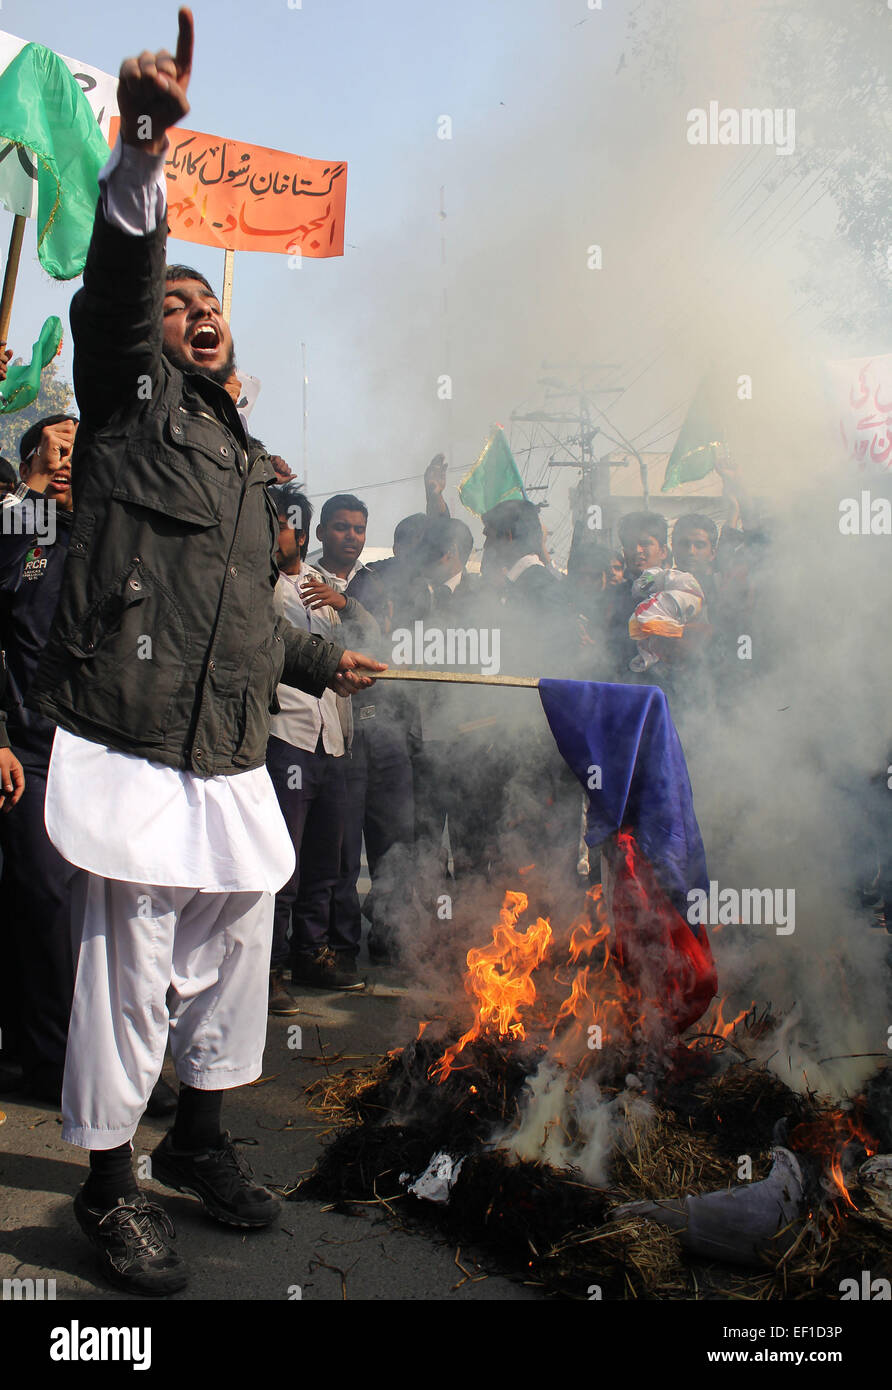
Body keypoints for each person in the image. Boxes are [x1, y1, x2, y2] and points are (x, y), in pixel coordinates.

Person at [26, 9, 384, 1297]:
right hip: (131, 734)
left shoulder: (243, 461)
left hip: (229, 747)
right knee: (127, 966)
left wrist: (313, 663)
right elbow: (121, 284)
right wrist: (140, 146)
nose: (193, 311)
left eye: (205, 304)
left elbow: (235, 605)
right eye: (179, 302)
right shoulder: (126, 404)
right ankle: (108, 1189)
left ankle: (205, 1143)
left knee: (239, 945)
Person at [266, 484, 379, 993]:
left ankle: (313, 956)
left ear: (300, 531)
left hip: (333, 739)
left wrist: (348, 606)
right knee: (280, 863)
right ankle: (269, 971)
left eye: (285, 523)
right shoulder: (256, 585)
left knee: (327, 862)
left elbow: (375, 642)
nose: (276, 533)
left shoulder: (322, 584)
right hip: (283, 735)